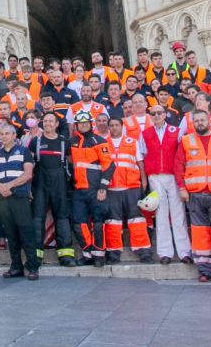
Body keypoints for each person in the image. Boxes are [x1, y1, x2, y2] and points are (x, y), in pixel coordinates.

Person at [178, 110, 211, 282]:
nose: (200, 123)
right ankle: (205, 269)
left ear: (209, 121)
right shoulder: (186, 140)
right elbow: (178, 166)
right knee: (200, 233)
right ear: (192, 123)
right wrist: (182, 188)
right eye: (197, 120)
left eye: (203, 120)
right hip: (195, 193)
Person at [0, 120, 39, 280]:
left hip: (19, 196)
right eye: (1, 134)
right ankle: (16, 266)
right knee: (10, 232)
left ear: (14, 135)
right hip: (2, 198)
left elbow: (28, 174)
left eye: (7, 133)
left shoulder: (23, 151)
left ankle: (32, 266)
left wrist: (9, 185)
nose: (3, 136)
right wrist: (0, 187)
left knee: (26, 230)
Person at [141, 104, 189, 264]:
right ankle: (164, 252)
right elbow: (142, 155)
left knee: (178, 213)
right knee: (161, 213)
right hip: (155, 176)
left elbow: (182, 155)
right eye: (153, 113)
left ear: (165, 114)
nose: (156, 115)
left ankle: (184, 252)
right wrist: (145, 178)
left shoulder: (176, 131)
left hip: (173, 175)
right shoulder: (145, 133)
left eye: (159, 113)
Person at [104, 115, 153, 263]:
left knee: (136, 219)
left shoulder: (132, 142)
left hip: (131, 186)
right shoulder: (103, 143)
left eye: (116, 125)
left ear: (122, 126)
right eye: (111, 125)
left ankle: (143, 250)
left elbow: (140, 162)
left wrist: (143, 180)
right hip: (112, 188)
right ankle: (113, 252)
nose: (114, 128)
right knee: (113, 222)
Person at [30, 112, 76, 267]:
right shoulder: (35, 142)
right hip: (39, 183)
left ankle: (66, 255)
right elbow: (29, 167)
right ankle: (36, 256)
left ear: (57, 124)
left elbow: (71, 164)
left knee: (62, 217)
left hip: (60, 183)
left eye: (51, 121)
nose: (48, 123)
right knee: (37, 218)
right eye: (45, 121)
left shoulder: (64, 142)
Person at [69, 113, 114, 266]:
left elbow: (109, 165)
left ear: (90, 123)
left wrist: (103, 187)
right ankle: (87, 254)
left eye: (86, 122)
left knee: (98, 222)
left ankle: (99, 255)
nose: (83, 125)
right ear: (76, 125)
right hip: (78, 190)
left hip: (95, 189)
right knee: (78, 223)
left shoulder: (99, 141)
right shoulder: (72, 142)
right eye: (80, 123)